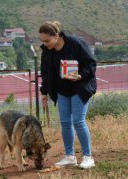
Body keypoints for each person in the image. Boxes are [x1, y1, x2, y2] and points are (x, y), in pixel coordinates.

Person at [39, 21, 97, 169]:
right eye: (42, 41)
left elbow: (91, 64)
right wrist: (44, 92)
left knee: (78, 121)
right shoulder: (47, 51)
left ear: (56, 36)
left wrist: (80, 76)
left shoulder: (75, 43)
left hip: (80, 87)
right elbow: (45, 73)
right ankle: (70, 157)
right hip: (62, 90)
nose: (45, 44)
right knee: (65, 122)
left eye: (47, 41)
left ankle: (88, 157)